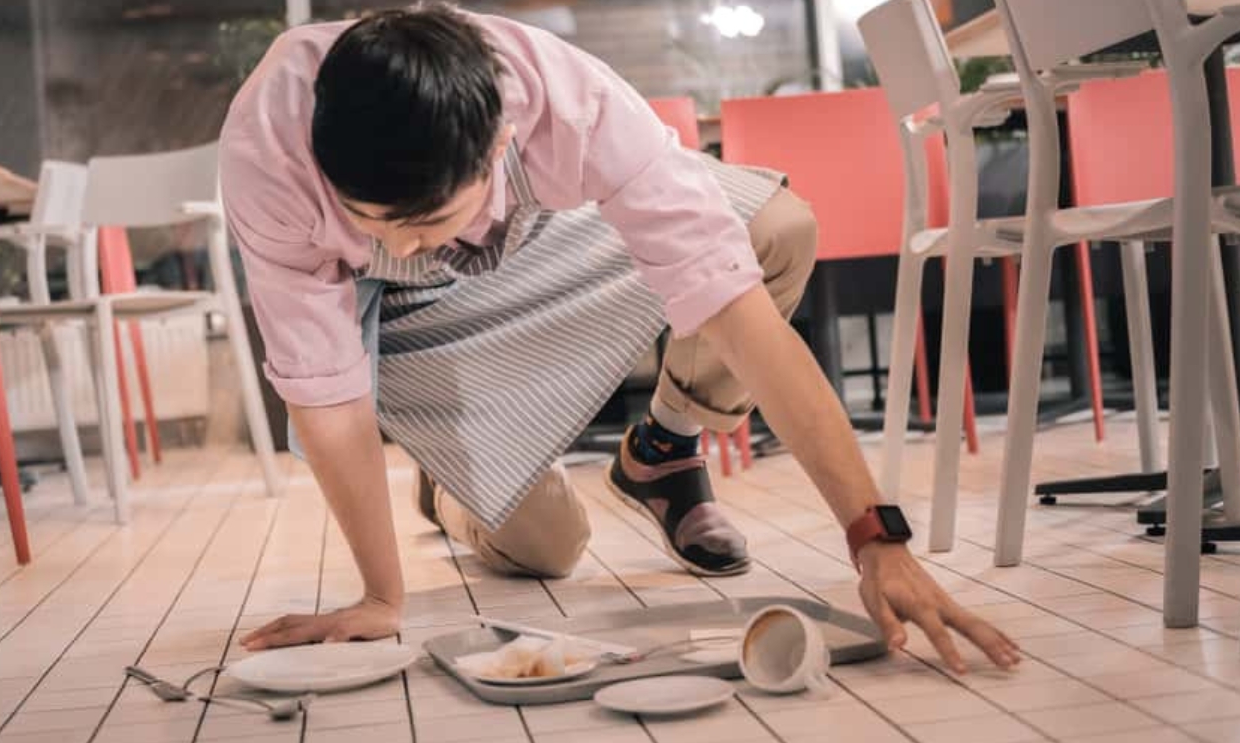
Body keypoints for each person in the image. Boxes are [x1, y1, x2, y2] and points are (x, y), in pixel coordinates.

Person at [220, 3, 1020, 673]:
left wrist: (873, 538)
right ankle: (450, 486)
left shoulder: (574, 108)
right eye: (373, 221)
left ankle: (662, 454)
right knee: (547, 546)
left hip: (540, 237)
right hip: (398, 319)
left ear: (498, 144)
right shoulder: (270, 153)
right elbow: (327, 394)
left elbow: (737, 312)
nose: (402, 240)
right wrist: (381, 597)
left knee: (774, 225)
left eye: (424, 220)